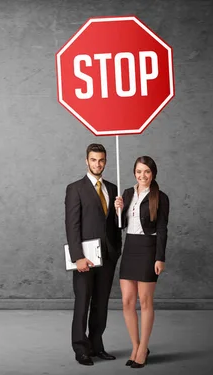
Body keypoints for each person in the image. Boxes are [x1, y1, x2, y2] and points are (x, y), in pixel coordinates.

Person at [64, 143, 122, 366]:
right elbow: (72, 225)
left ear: (106, 161)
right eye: (94, 160)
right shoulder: (75, 188)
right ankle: (80, 348)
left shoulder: (113, 189)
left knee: (101, 303)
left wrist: (120, 211)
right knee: (83, 302)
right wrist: (77, 256)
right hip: (85, 257)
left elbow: (119, 225)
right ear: (86, 161)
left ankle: (97, 345)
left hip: (107, 256)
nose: (98, 164)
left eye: (101, 160)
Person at [114, 156, 170, 369]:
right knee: (127, 301)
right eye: (139, 171)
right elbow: (121, 226)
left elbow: (163, 228)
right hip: (130, 248)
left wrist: (160, 257)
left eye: (147, 171)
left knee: (145, 301)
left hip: (148, 249)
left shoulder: (160, 197)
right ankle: (136, 346)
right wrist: (118, 209)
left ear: (153, 173)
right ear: (134, 172)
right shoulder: (128, 193)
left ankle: (143, 347)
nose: (142, 175)